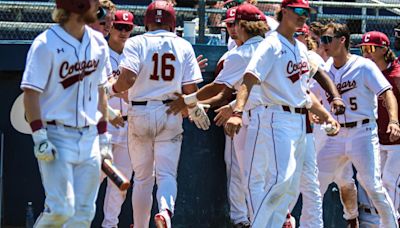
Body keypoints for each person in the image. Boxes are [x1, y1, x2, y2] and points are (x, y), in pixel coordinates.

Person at [224, 0, 340, 227]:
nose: (303, 16)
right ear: (283, 11)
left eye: (306, 12)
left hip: (298, 119)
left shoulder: (299, 47)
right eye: (298, 11)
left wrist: (327, 113)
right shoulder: (271, 44)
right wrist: (238, 111)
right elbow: (250, 78)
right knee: (281, 180)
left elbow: (304, 91)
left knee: (289, 189)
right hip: (277, 117)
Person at [105, 1, 209, 228]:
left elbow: (127, 80)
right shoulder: (183, 45)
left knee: (142, 179)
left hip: (139, 110)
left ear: (147, 22)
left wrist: (110, 89)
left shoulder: (135, 42)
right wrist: (192, 107)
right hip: (170, 111)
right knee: (167, 175)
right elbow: (191, 91)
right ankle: (165, 212)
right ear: (173, 23)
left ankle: (140, 226)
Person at [167, 4, 268, 227]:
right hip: (282, 120)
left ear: (243, 26)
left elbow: (218, 89)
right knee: (272, 177)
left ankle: (249, 221)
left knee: (249, 177)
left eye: (235, 25)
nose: (232, 30)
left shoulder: (240, 54)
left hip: (252, 118)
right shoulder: (275, 47)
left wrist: (189, 103)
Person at [20, 0, 112, 226]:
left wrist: (103, 136)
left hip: (89, 135)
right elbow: (31, 93)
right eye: (93, 3)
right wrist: (39, 136)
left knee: (83, 214)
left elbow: (100, 92)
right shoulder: (45, 43)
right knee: (61, 209)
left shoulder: (98, 42)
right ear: (78, 6)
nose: (98, 7)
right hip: (57, 135)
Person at [316, 22, 400, 228]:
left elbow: (386, 92)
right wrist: (315, 111)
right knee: (315, 185)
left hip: (362, 131)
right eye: (322, 40)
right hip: (335, 135)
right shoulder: (324, 69)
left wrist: (394, 120)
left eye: (328, 39)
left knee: (373, 185)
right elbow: (312, 95)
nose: (323, 44)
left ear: (342, 40)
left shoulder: (364, 66)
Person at [359, 31, 400, 226]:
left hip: (397, 140)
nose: (366, 53)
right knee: (376, 183)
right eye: (364, 49)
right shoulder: (367, 72)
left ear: (384, 49)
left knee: (390, 182)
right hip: (378, 137)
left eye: (371, 48)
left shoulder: (397, 73)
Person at [101, 10, 135, 228]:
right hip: (105, 123)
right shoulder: (100, 52)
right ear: (111, 27)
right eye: (119, 27)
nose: (123, 32)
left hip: (129, 124)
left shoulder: (134, 53)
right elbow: (105, 89)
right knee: (94, 179)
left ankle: (110, 225)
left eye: (127, 28)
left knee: (120, 181)